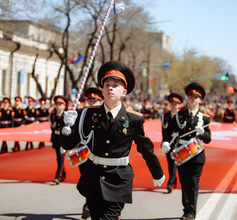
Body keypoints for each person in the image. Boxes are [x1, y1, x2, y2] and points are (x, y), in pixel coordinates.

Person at [60, 60, 165, 219]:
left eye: (115, 85)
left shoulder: (134, 119)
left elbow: (145, 148)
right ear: (102, 89)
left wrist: (157, 172)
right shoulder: (88, 114)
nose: (110, 87)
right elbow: (69, 144)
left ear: (124, 91)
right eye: (107, 84)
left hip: (118, 179)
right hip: (93, 177)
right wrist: (67, 126)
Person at [162, 82, 211, 220]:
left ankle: (191, 212)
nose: (193, 99)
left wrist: (202, 133)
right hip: (182, 154)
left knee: (194, 184)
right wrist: (165, 142)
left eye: (196, 96)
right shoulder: (179, 115)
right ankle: (186, 209)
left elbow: (208, 139)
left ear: (200, 99)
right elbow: (169, 131)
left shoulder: (205, 118)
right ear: (188, 98)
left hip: (197, 155)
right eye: (191, 96)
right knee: (184, 183)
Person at [80, 87, 104, 219]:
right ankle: (88, 204)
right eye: (90, 100)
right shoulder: (81, 114)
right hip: (83, 154)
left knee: (97, 184)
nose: (92, 102)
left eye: (96, 100)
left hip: (99, 156)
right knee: (87, 181)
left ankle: (91, 205)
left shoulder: (104, 114)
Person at [162, 93, 183, 193]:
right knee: (170, 164)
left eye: (176, 104)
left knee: (174, 162)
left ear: (179, 105)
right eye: (172, 103)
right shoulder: (165, 116)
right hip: (168, 142)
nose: (173, 106)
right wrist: (164, 142)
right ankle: (174, 180)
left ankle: (170, 183)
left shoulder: (182, 115)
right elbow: (164, 130)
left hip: (178, 142)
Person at [50, 95, 68, 185]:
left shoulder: (66, 115)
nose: (58, 106)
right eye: (56, 104)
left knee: (61, 157)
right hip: (56, 138)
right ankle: (63, 172)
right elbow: (52, 128)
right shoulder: (53, 115)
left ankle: (57, 177)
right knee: (58, 158)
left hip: (63, 139)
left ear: (64, 105)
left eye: (60, 104)